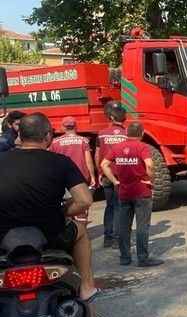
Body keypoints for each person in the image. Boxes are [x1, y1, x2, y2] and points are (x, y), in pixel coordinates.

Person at [0, 113, 111, 317]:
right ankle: (87, 288)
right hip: (50, 235)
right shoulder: (60, 162)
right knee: (81, 232)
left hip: (3, 238)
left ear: (19, 134)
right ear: (47, 136)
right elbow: (84, 200)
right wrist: (62, 211)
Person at [101, 122, 164, 267]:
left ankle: (125, 257)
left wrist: (115, 181)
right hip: (142, 192)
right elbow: (149, 165)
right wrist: (151, 180)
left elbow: (104, 164)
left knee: (124, 226)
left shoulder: (117, 147)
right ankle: (143, 258)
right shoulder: (142, 147)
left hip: (124, 192)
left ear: (126, 133)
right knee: (142, 226)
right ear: (141, 134)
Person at [50, 117, 96, 223]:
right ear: (76, 126)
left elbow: (52, 161)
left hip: (62, 178)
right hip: (80, 178)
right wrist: (92, 176)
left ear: (63, 127)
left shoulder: (55, 142)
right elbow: (88, 160)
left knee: (66, 206)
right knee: (82, 207)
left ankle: (69, 227)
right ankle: (81, 228)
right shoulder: (83, 141)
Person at [96, 101, 128, 248]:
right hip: (122, 176)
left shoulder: (101, 134)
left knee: (110, 206)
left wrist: (99, 171)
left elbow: (97, 154)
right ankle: (117, 238)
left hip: (107, 174)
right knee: (120, 207)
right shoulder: (127, 134)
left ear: (111, 117)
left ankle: (108, 238)